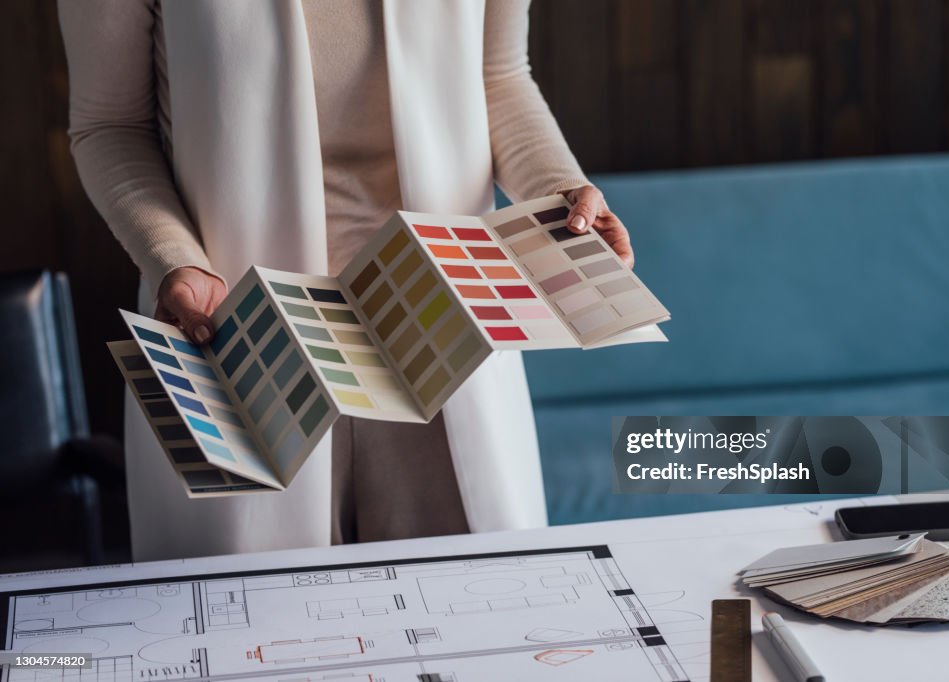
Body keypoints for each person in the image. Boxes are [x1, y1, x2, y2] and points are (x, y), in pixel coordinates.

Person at [59, 0, 634, 560]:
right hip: (239, 329)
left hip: (442, 328)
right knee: (257, 629)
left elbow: (499, 78)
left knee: (472, 607)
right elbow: (109, 125)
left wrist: (558, 189)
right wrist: (173, 257)